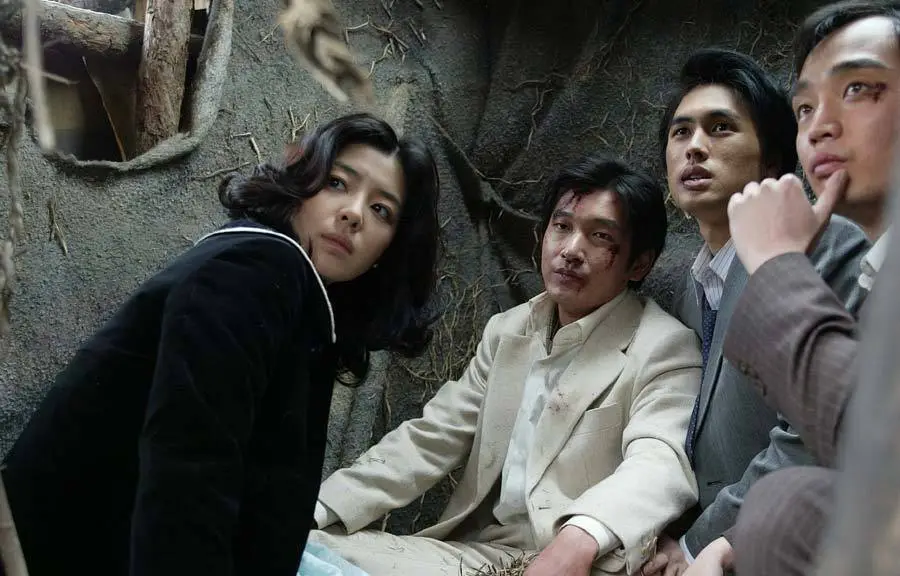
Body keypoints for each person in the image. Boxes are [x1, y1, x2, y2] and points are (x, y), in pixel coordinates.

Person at [0, 113, 441, 576]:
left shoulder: (297, 296)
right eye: (336, 183)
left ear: (391, 248)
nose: (353, 212)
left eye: (381, 210)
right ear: (300, 185)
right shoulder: (258, 270)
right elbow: (190, 469)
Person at [308, 154, 702, 576]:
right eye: (562, 226)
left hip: (575, 561)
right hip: (475, 553)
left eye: (600, 236)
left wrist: (580, 540)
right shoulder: (508, 331)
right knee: (298, 544)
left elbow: (658, 462)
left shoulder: (664, 347)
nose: (571, 250)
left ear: (639, 264)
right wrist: (317, 508)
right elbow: (429, 439)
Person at [688, 2, 899, 574]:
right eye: (805, 107)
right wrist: (731, 541)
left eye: (858, 89)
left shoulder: (815, 253)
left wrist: (778, 264)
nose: (820, 125)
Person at [641, 49, 869, 576]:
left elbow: (816, 432)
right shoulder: (687, 290)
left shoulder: (821, 245)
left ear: (771, 161)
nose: (695, 146)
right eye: (680, 132)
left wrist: (698, 543)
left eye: (720, 128)